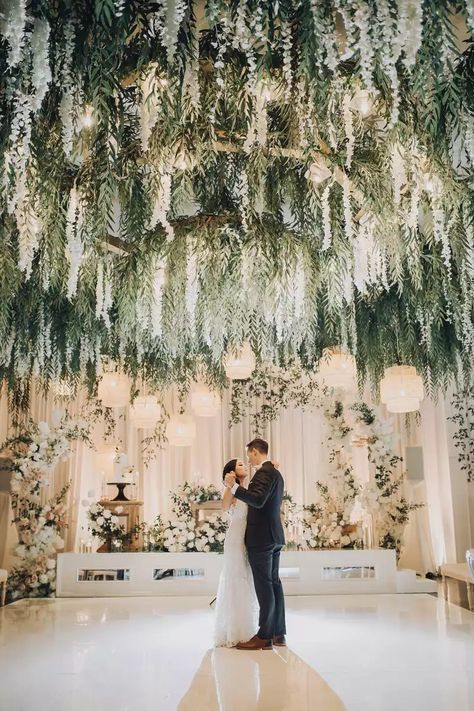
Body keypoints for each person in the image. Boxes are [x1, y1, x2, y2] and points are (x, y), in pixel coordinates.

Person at [224, 438, 286, 651]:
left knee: (265, 585)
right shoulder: (275, 473)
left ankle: (265, 635)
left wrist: (234, 488)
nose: (248, 459)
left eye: (249, 454)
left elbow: (257, 500)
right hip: (274, 536)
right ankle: (279, 633)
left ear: (254, 451)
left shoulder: (264, 473)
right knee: (274, 583)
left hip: (262, 538)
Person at [214, 458, 258, 647]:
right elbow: (224, 508)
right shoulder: (232, 489)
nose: (244, 465)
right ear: (232, 471)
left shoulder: (246, 489)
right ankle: (234, 629)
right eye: (240, 464)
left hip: (246, 539)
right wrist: (228, 486)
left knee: (245, 579)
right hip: (235, 539)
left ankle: (246, 627)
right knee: (235, 578)